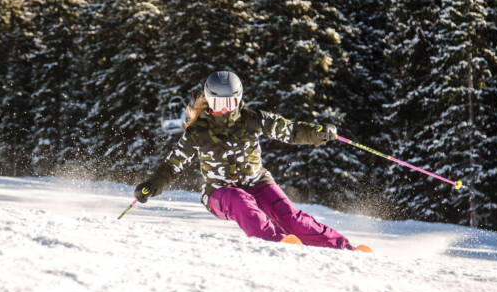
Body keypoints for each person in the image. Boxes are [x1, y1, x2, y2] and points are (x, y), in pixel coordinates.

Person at [134, 70, 371, 252]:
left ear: (238, 100)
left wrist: (316, 133)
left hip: (257, 181)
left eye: (230, 102)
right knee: (241, 201)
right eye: (219, 103)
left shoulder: (253, 120)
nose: (226, 109)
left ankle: (343, 248)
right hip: (219, 192)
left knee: (289, 216)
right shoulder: (198, 132)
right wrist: (153, 185)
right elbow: (172, 165)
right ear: (209, 101)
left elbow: (290, 131)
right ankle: (278, 244)